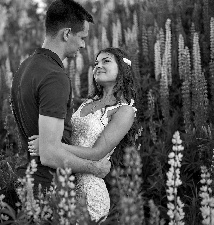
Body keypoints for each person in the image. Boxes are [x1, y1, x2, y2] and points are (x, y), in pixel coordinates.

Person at [10, 0, 111, 195]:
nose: (83, 45)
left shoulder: (24, 67)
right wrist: (95, 168)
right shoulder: (54, 76)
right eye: (82, 37)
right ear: (66, 34)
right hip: (50, 189)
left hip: (29, 182)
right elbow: (50, 155)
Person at [28, 47, 138, 222]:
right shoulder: (88, 102)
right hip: (65, 183)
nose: (98, 66)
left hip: (90, 189)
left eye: (106, 61)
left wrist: (50, 146)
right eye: (96, 63)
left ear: (123, 69)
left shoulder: (125, 110)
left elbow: (97, 153)